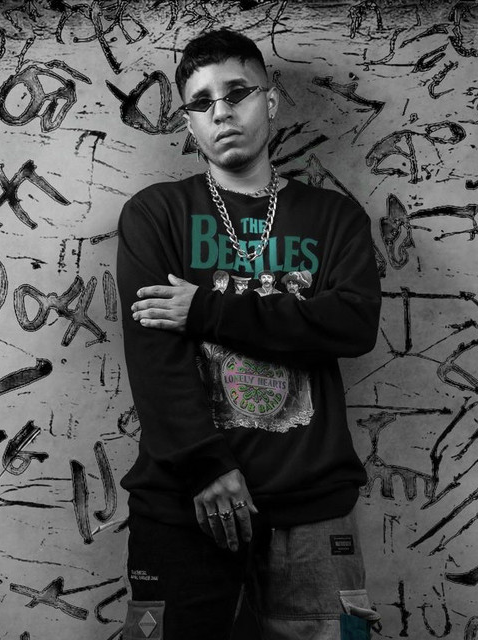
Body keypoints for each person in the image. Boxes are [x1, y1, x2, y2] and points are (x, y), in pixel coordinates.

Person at [117, 28, 382, 640]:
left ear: (272, 101)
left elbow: (353, 324)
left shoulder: (333, 217)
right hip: (182, 501)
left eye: (237, 93)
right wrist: (205, 466)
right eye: (201, 102)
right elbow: (153, 355)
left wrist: (206, 311)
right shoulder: (156, 214)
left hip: (311, 505)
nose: (221, 112)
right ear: (189, 123)